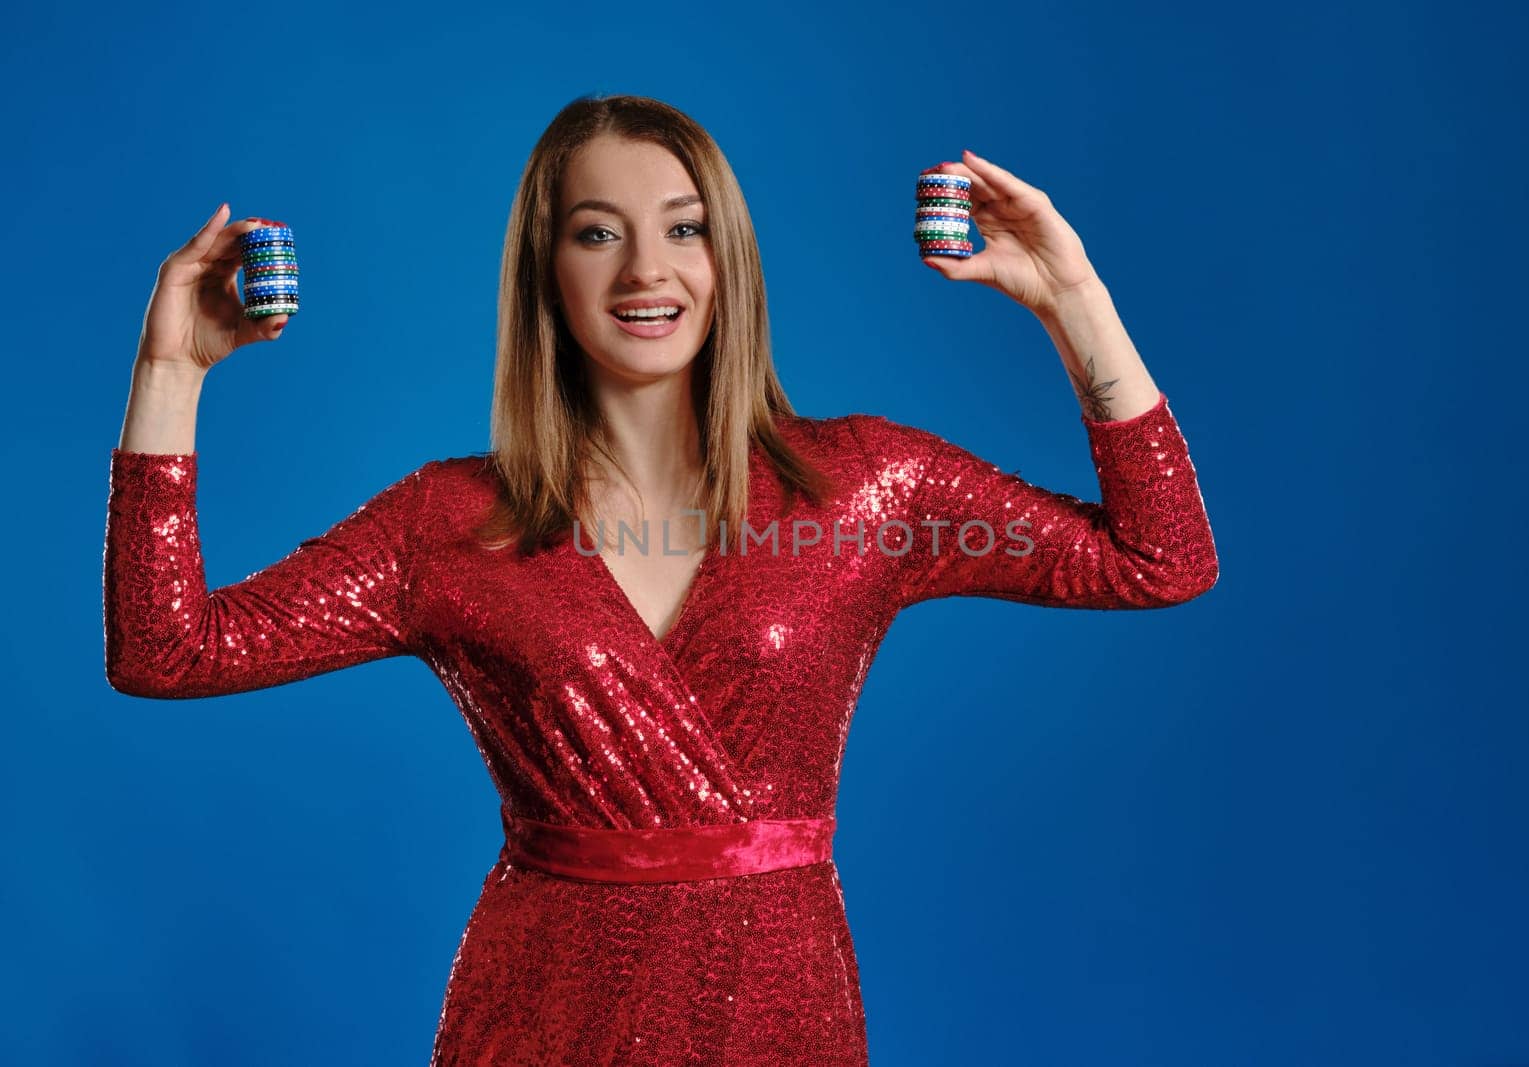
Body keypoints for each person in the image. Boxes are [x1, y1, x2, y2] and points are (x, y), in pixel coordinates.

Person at [104, 93, 1219, 1064]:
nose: (647, 269)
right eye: (598, 232)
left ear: (724, 256)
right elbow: (168, 650)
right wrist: (170, 373)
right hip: (538, 1011)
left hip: (785, 1012)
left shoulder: (870, 485)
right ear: (546, 268)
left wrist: (1072, 298)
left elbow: (1160, 558)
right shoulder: (446, 522)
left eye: (683, 229)